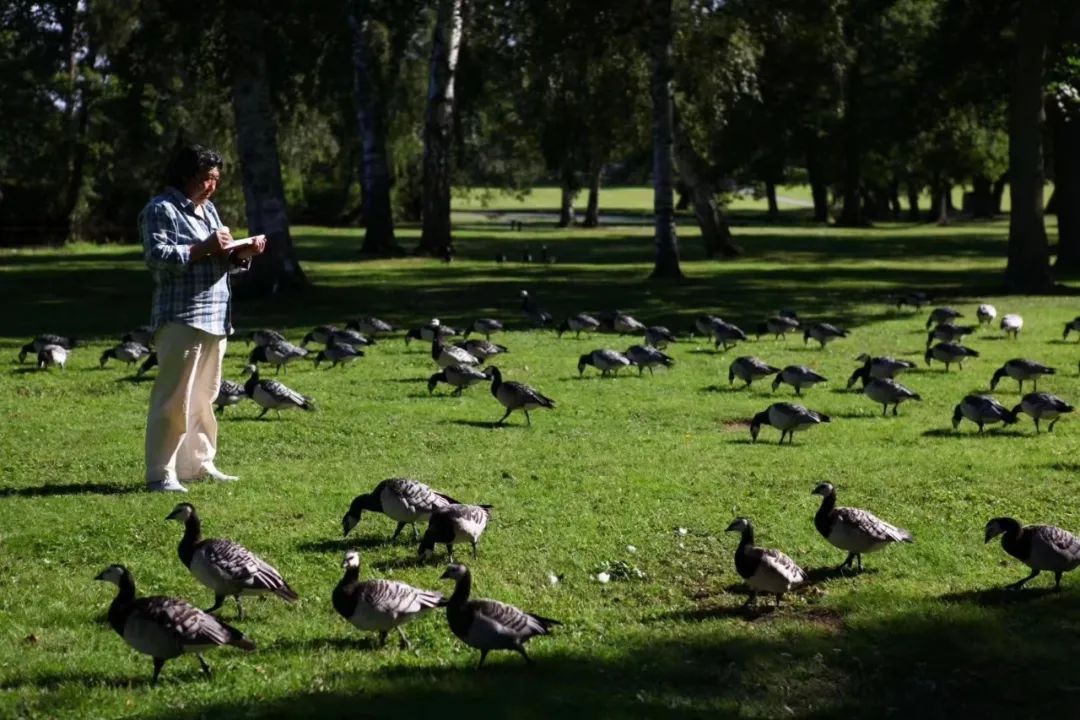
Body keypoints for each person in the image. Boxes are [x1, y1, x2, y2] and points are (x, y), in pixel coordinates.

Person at [140, 144, 267, 492]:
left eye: (215, 179)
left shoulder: (208, 210)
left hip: (216, 317)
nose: (211, 186)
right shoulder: (160, 209)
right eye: (205, 178)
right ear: (185, 175)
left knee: (203, 397)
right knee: (174, 398)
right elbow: (157, 258)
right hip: (181, 316)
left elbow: (220, 262)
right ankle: (161, 472)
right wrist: (204, 248)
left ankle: (198, 464)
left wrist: (242, 254)